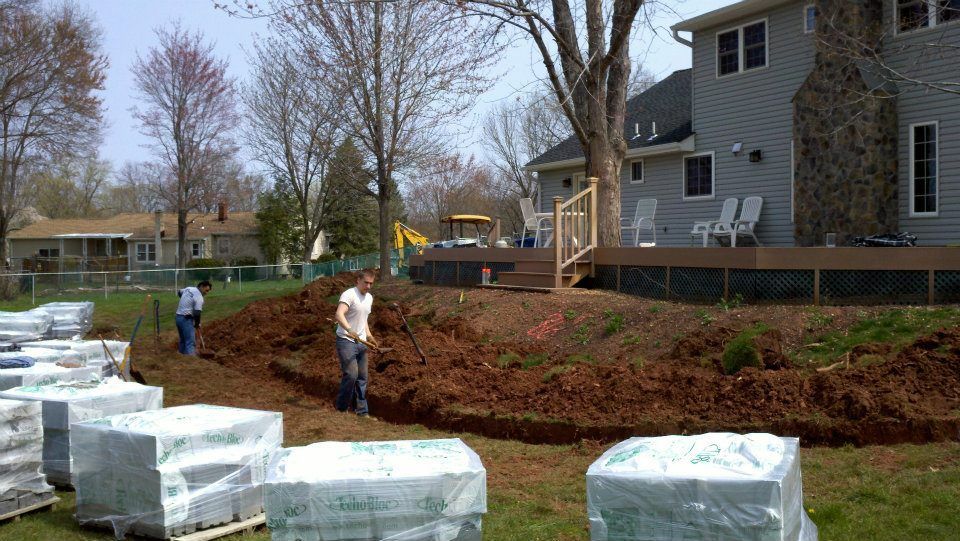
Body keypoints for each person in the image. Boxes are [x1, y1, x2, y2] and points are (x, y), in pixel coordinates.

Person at [333, 269, 378, 417]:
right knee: (351, 375)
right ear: (358, 280)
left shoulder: (369, 298)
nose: (368, 286)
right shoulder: (349, 294)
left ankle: (362, 412)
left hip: (361, 342)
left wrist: (369, 336)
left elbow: (363, 320)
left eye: (371, 283)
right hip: (346, 341)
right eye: (366, 283)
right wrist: (349, 329)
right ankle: (341, 408)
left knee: (362, 378)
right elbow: (339, 314)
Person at [175, 280, 212, 355]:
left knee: (183, 339)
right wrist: (197, 324)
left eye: (208, 291)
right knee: (190, 342)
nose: (206, 293)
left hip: (178, 317)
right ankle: (191, 361)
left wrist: (186, 302)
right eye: (206, 290)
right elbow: (197, 313)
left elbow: (179, 292)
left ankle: (181, 356)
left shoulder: (189, 289)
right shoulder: (199, 297)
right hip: (186, 319)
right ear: (201, 286)